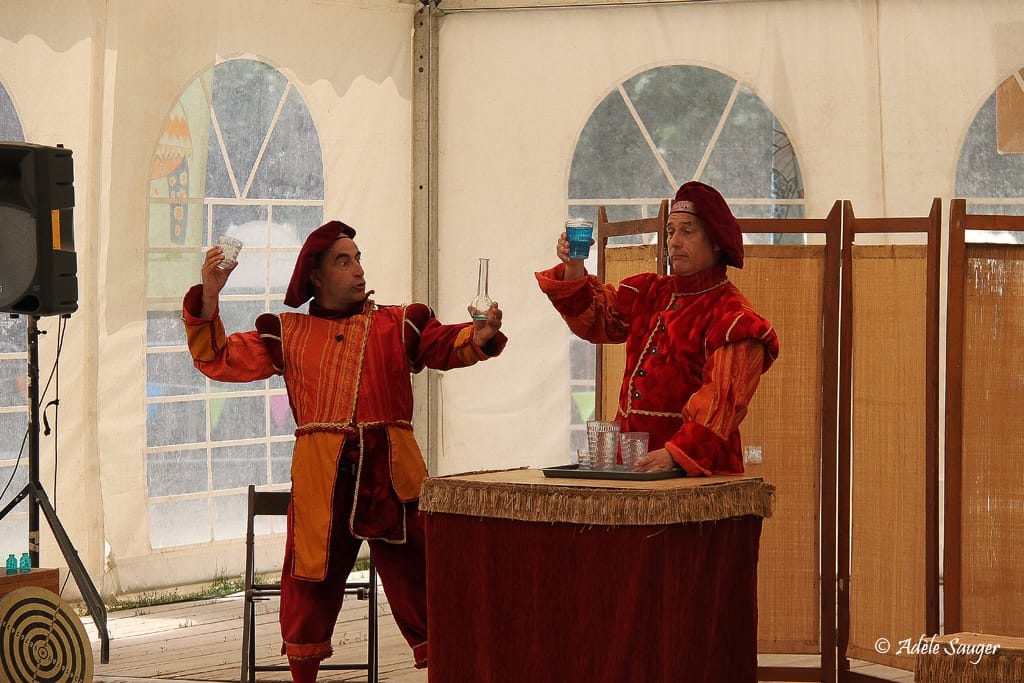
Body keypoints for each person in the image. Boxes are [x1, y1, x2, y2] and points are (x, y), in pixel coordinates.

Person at [182, 220, 507, 682]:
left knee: (426, 585)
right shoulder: (286, 333)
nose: (357, 269)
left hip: (393, 477)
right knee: (307, 587)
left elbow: (443, 344)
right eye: (342, 260)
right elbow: (217, 358)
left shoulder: (398, 323)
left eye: (357, 258)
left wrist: (476, 337)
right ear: (315, 275)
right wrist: (210, 296)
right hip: (323, 481)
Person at [535, 181, 778, 476]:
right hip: (632, 471)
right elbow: (597, 321)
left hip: (696, 477)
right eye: (671, 231)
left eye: (687, 231)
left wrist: (676, 455)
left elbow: (722, 402)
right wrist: (574, 267)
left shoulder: (734, 318)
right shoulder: (649, 292)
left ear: (715, 241)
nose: (674, 242)